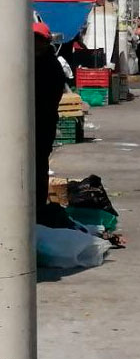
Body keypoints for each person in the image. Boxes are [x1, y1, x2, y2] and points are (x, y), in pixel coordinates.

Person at [34, 23, 66, 222]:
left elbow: (46, 97)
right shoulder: (32, 62)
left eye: (38, 40)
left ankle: (37, 207)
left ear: (46, 43)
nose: (34, 44)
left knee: (37, 166)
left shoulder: (49, 66)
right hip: (37, 123)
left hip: (41, 125)